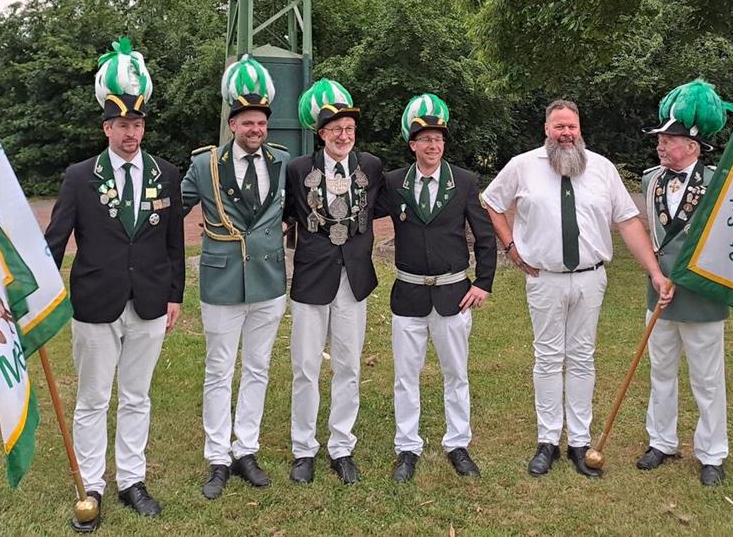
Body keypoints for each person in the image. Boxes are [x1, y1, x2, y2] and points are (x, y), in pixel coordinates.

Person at [482, 99, 673, 479]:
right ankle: (547, 440)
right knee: (548, 358)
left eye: (572, 127)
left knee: (583, 357)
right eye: (559, 127)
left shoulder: (601, 169)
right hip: (544, 279)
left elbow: (628, 221)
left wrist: (654, 271)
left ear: (580, 129)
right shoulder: (523, 166)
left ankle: (580, 442)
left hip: (590, 278)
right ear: (546, 130)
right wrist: (511, 247)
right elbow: (491, 201)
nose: (566, 133)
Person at [44, 38, 184, 532]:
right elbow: (56, 240)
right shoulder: (81, 176)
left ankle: (132, 480)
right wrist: (38, 291)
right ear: (107, 127)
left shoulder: (165, 175)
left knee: (137, 395)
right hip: (96, 301)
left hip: (149, 300)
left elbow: (173, 243)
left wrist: (174, 295)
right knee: (93, 397)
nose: (132, 133)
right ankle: (92, 486)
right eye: (122, 125)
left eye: (138, 124)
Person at [181, 55, 290, 498]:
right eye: (247, 122)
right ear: (232, 125)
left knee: (258, 367)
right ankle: (217, 457)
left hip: (268, 282)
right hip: (223, 283)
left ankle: (246, 448)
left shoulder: (282, 160)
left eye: (261, 122)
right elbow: (169, 210)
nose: (255, 130)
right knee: (219, 370)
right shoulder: (205, 165)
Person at [376, 94, 496, 483]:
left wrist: (484, 283)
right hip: (408, 294)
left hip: (453, 294)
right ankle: (407, 447)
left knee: (455, 373)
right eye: (425, 139)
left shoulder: (463, 181)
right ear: (412, 144)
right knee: (405, 376)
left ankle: (457, 444)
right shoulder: (394, 183)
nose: (433, 145)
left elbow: (484, 234)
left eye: (438, 139)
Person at [637, 79, 733, 486]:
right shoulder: (650, 180)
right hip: (658, 293)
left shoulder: (720, 183)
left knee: (706, 377)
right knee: (660, 370)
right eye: (660, 139)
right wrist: (657, 276)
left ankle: (712, 452)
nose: (660, 146)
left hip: (701, 295)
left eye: (668, 139)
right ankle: (661, 441)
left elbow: (730, 241)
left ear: (693, 145)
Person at [282, 79, 384, 485]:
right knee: (305, 367)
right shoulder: (298, 170)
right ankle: (303, 449)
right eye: (335, 130)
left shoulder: (370, 167)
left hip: (354, 280)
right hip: (310, 278)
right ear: (321, 134)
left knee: (349, 366)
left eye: (349, 130)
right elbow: (283, 216)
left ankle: (342, 446)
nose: (344, 136)